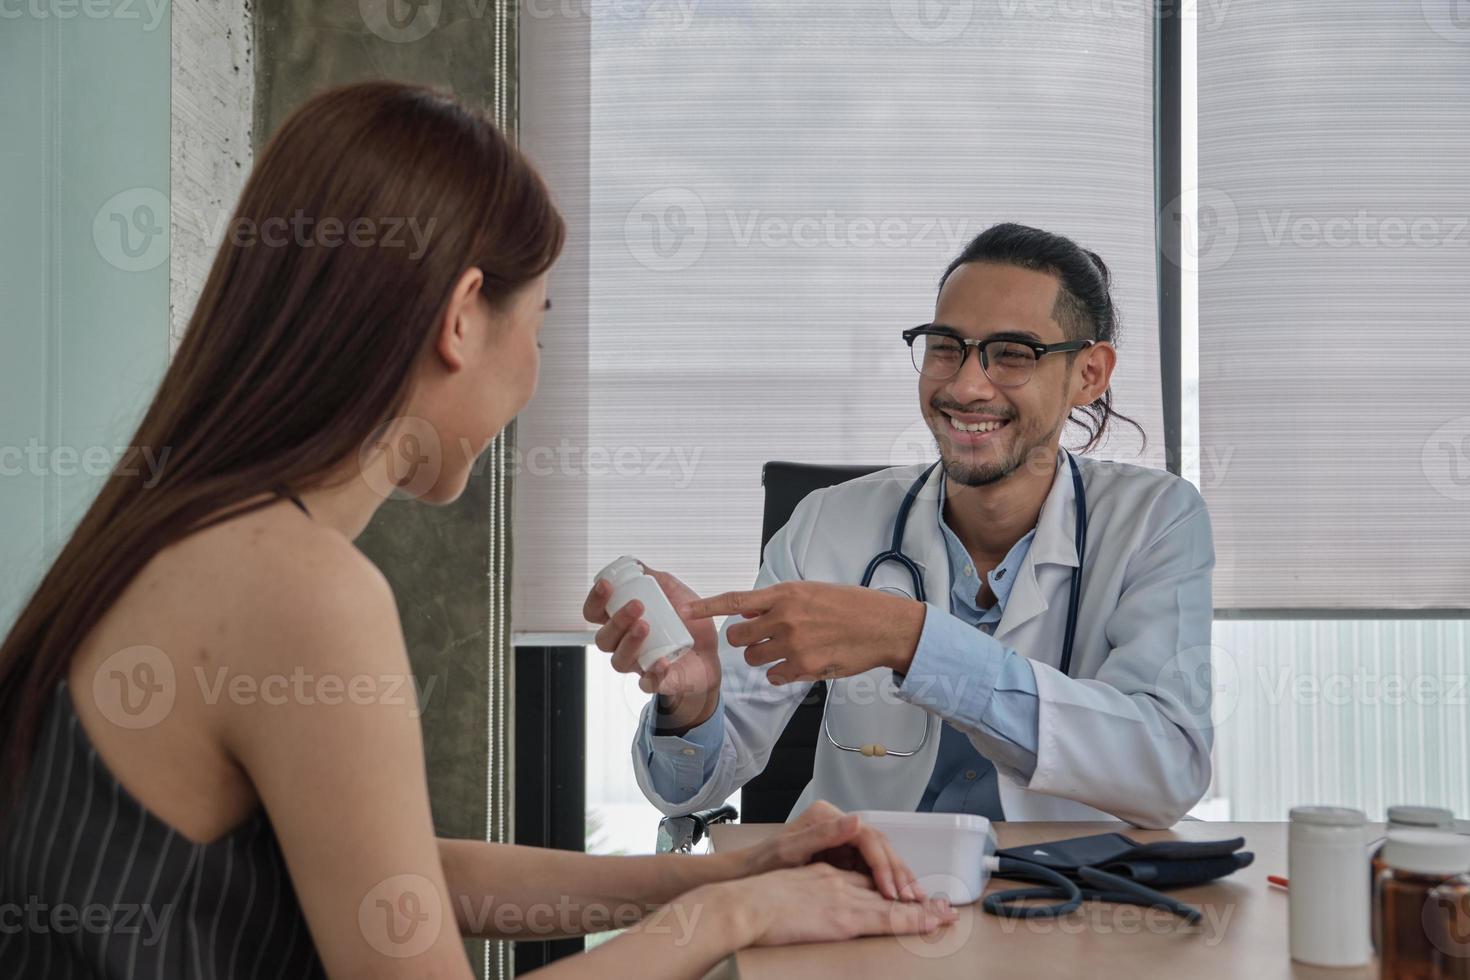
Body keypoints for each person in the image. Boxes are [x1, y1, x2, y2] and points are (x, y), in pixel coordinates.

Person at [0, 81, 953, 979]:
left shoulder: (190, 530)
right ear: (462, 318)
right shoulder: (302, 590)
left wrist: (716, 876)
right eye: (538, 325)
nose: (536, 374)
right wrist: (731, 923)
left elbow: (400, 879)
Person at [590, 223, 1216, 830]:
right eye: (946, 346)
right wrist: (691, 706)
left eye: (1012, 355)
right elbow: (685, 788)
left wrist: (914, 641)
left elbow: (1168, 768)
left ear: (1089, 374)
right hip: (856, 893)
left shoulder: (1155, 521)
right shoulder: (828, 523)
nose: (968, 385)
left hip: (1068, 902)